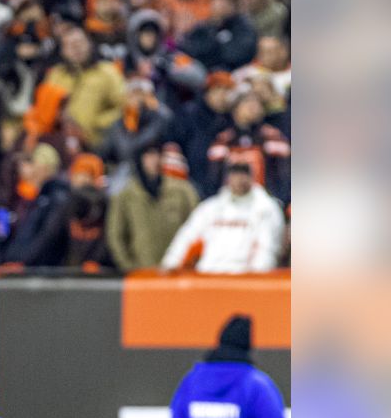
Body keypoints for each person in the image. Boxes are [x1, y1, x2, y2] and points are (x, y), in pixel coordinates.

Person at [160, 162, 285, 274]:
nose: (239, 179)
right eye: (235, 174)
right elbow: (187, 236)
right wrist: (171, 263)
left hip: (243, 277)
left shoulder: (265, 208)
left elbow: (267, 248)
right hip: (209, 275)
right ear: (228, 177)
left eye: (243, 174)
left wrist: (257, 279)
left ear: (252, 176)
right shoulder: (211, 207)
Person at [106, 142, 200, 272]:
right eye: (148, 156)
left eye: (158, 155)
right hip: (141, 271)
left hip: (178, 271)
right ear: (140, 159)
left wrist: (189, 263)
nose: (154, 160)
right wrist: (128, 266)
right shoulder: (125, 195)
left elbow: (198, 228)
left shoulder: (183, 191)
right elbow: (115, 234)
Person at [40, 27, 126, 151]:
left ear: (90, 44)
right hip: (60, 142)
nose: (76, 48)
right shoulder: (56, 75)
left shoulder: (108, 72)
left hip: (97, 143)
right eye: (70, 45)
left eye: (80, 43)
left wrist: (99, 123)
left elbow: (123, 106)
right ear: (63, 51)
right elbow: (44, 109)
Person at [3, 144, 70, 266]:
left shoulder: (57, 198)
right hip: (26, 262)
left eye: (36, 166)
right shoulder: (38, 197)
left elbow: (47, 236)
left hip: (43, 268)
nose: (33, 171)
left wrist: (22, 260)